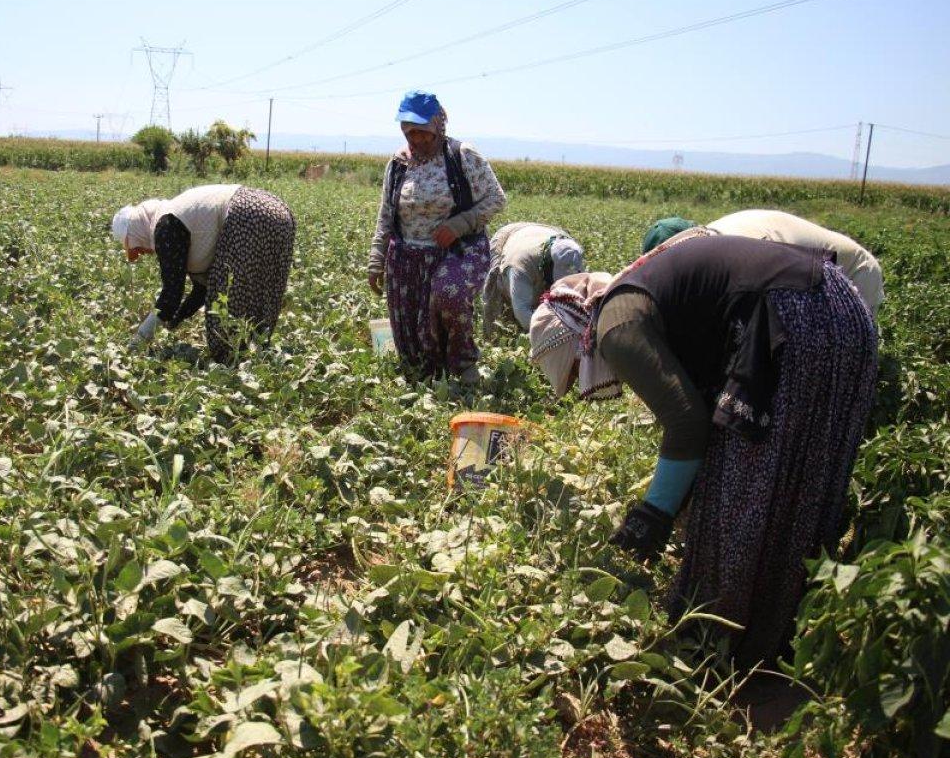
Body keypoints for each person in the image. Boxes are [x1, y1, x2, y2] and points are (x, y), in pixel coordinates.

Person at [529, 234, 878, 667]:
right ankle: (787, 638)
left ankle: (721, 648)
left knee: (742, 490)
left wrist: (652, 516)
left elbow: (688, 423)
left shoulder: (615, 327)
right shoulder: (639, 297)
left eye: (575, 372)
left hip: (790, 321)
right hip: (843, 311)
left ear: (578, 338)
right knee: (799, 480)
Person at [367, 91, 507, 382]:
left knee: (448, 295)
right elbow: (386, 214)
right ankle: (424, 378)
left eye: (423, 133)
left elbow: (496, 199)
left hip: (458, 250)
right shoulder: (398, 163)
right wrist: (376, 258)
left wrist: (460, 223)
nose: (417, 140)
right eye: (410, 133)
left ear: (438, 125)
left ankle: (463, 366)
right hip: (407, 255)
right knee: (410, 332)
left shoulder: (462, 155)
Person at [112, 184, 295, 363]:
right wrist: (176, 320)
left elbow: (171, 295)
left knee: (224, 312)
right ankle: (257, 360)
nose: (142, 252)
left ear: (135, 229)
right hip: (275, 211)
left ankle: (235, 367)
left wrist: (140, 338)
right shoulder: (179, 216)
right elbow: (202, 289)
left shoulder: (166, 225)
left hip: (246, 216)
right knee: (263, 291)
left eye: (135, 246)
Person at [642, 211, 884, 314]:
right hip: (807, 276)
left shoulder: (737, 252)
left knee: (833, 366)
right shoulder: (710, 244)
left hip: (854, 274)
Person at [481, 222, 585, 335]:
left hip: (541, 232)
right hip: (508, 236)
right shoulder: (520, 265)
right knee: (500, 300)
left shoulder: (572, 252)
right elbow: (522, 311)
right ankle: (492, 337)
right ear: (549, 263)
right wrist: (554, 333)